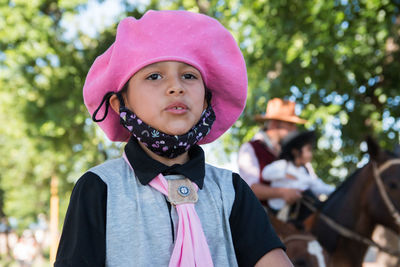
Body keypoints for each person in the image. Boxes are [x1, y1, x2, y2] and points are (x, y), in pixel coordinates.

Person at [54, 10, 292, 267]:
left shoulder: (231, 191)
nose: (176, 87)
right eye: (154, 76)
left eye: (189, 76)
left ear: (206, 101)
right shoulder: (98, 188)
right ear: (120, 104)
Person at [238, 98, 306, 207]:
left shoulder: (291, 153)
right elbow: (250, 188)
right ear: (275, 124)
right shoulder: (250, 148)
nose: (295, 129)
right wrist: (283, 192)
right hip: (261, 219)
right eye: (290, 124)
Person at [261, 131, 334, 217]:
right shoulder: (283, 165)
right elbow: (265, 174)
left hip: (296, 212)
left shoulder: (304, 172)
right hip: (278, 211)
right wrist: (283, 174)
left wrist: (337, 191)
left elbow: (319, 187)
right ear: (295, 151)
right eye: (308, 150)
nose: (311, 154)